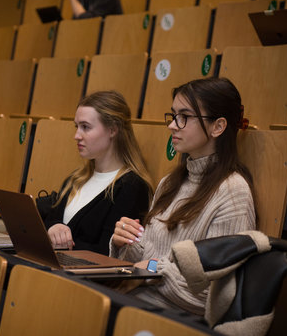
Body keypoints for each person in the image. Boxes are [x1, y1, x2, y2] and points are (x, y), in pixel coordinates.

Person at [110, 77, 256, 315]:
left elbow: (216, 293)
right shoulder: (170, 183)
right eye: (173, 115)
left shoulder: (233, 192)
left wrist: (155, 270)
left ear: (218, 127)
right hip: (137, 298)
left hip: (174, 317)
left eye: (184, 117)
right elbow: (149, 258)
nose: (172, 125)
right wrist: (126, 241)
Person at [44, 90, 153, 255]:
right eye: (77, 127)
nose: (76, 136)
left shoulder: (132, 187)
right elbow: (51, 217)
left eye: (85, 127)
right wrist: (53, 228)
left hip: (84, 278)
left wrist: (64, 245)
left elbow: (107, 252)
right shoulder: (75, 179)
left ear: (112, 130)